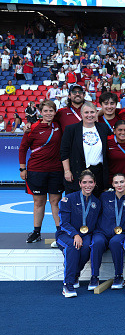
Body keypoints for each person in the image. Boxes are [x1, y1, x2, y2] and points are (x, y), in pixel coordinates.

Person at [19, 100, 63, 243]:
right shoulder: (32, 128)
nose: (48, 113)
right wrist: (22, 168)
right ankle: (36, 232)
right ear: (40, 112)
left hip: (56, 170)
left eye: (51, 111)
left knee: (55, 202)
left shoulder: (59, 126)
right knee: (39, 202)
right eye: (46, 111)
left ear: (55, 112)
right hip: (36, 170)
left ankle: (60, 232)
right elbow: (23, 149)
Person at [56, 170, 101, 297]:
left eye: (90, 182)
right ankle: (68, 284)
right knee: (73, 246)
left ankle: (75, 273)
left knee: (86, 247)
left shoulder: (96, 203)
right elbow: (63, 223)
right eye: (85, 182)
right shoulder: (68, 199)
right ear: (80, 183)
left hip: (85, 235)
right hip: (65, 234)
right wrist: (75, 234)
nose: (88, 185)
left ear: (94, 184)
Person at [89, 174, 125, 291]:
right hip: (102, 232)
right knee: (97, 242)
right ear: (112, 184)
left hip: (120, 233)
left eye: (122, 182)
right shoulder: (104, 196)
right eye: (116, 182)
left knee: (115, 243)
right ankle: (94, 276)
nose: (119, 185)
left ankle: (119, 276)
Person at [60, 102, 112, 195]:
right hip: (77, 171)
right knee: (76, 203)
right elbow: (64, 152)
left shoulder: (103, 128)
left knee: (96, 204)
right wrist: (67, 171)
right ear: (81, 114)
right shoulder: (71, 129)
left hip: (98, 173)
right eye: (86, 112)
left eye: (92, 112)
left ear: (96, 113)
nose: (89, 115)